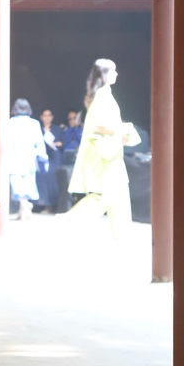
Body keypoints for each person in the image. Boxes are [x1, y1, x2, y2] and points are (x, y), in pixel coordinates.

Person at [67, 59, 140, 238]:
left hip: (112, 153)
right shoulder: (102, 96)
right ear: (104, 74)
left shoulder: (103, 94)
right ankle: (67, 223)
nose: (116, 74)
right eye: (113, 70)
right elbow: (98, 126)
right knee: (107, 196)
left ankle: (121, 238)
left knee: (117, 197)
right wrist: (122, 131)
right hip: (107, 155)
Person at [6, 98, 47, 220]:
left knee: (17, 185)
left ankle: (23, 206)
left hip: (14, 158)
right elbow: (39, 142)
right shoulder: (34, 123)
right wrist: (43, 156)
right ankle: (23, 210)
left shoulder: (10, 123)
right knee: (28, 184)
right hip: (29, 158)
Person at [36, 107, 65, 212]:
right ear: (41, 117)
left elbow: (62, 142)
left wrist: (54, 143)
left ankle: (52, 204)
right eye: (45, 115)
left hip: (54, 156)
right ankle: (41, 203)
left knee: (53, 176)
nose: (47, 118)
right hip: (41, 157)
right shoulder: (37, 129)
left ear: (52, 117)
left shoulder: (57, 129)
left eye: (49, 115)